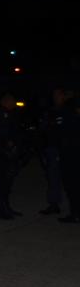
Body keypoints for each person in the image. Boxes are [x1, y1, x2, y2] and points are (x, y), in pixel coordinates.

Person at [0, 93, 23, 220]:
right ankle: (0, 210)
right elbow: (1, 134)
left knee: (7, 183)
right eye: (13, 102)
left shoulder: (9, 113)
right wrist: (9, 145)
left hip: (6, 153)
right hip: (1, 154)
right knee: (0, 182)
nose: (14, 104)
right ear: (7, 101)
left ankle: (6, 207)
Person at [38, 88, 69, 215]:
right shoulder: (51, 111)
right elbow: (45, 129)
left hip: (64, 148)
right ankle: (54, 204)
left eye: (57, 95)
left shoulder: (68, 110)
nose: (55, 98)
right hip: (53, 148)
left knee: (65, 177)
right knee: (53, 177)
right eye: (54, 95)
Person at [57, 93, 80, 224]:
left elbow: (62, 134)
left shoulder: (67, 114)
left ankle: (75, 213)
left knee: (72, 186)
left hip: (70, 155)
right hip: (72, 153)